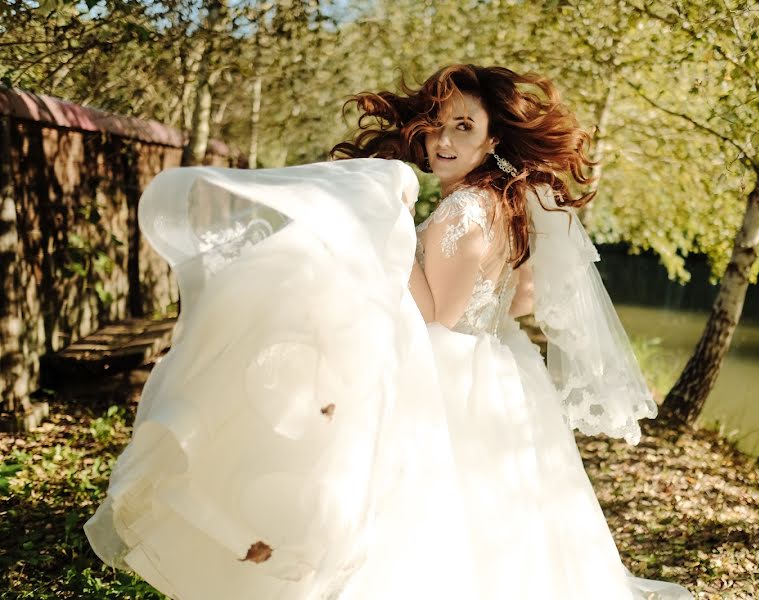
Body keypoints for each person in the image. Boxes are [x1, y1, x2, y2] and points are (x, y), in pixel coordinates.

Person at [83, 64, 693, 599]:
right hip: (501, 371)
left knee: (423, 516)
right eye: (437, 124)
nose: (443, 140)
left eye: (463, 127)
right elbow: (523, 298)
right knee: (495, 523)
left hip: (449, 374)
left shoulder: (463, 209)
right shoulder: (508, 203)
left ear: (493, 137)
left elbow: (438, 316)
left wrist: (388, 234)